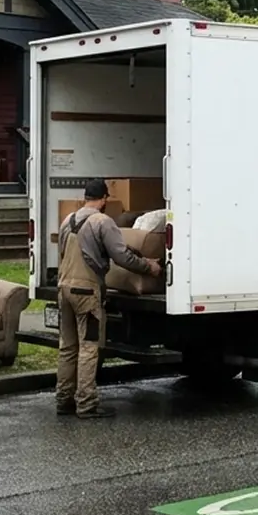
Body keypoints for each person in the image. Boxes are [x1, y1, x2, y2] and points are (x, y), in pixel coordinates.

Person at [54, 178, 160, 418]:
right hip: (86, 293)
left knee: (68, 348)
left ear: (85, 197)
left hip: (64, 290)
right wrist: (148, 268)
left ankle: (63, 401)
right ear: (104, 199)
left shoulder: (67, 221)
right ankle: (86, 404)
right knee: (89, 347)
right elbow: (121, 256)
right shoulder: (102, 221)